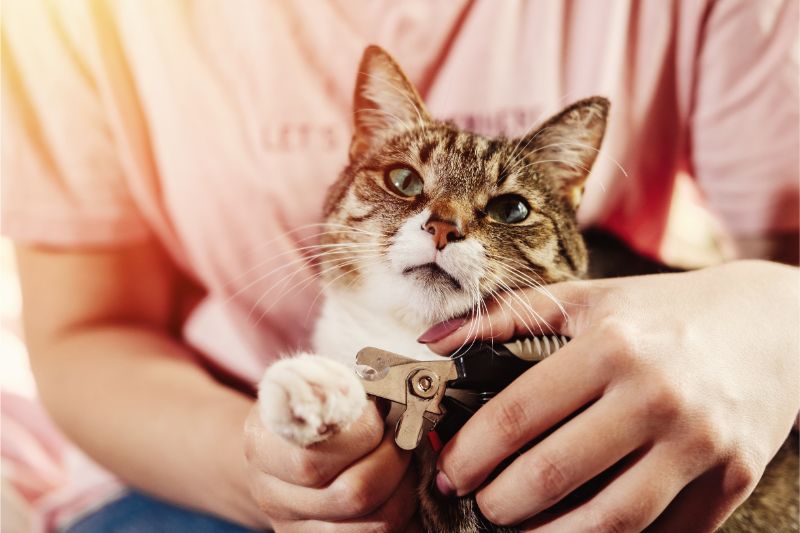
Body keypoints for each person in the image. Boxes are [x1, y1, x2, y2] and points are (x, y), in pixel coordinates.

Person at [2, 1, 797, 532]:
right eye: (407, 183)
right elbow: (87, 326)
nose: (445, 225)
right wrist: (274, 476)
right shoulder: (79, 20)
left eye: (510, 207)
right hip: (212, 447)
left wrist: (775, 313)